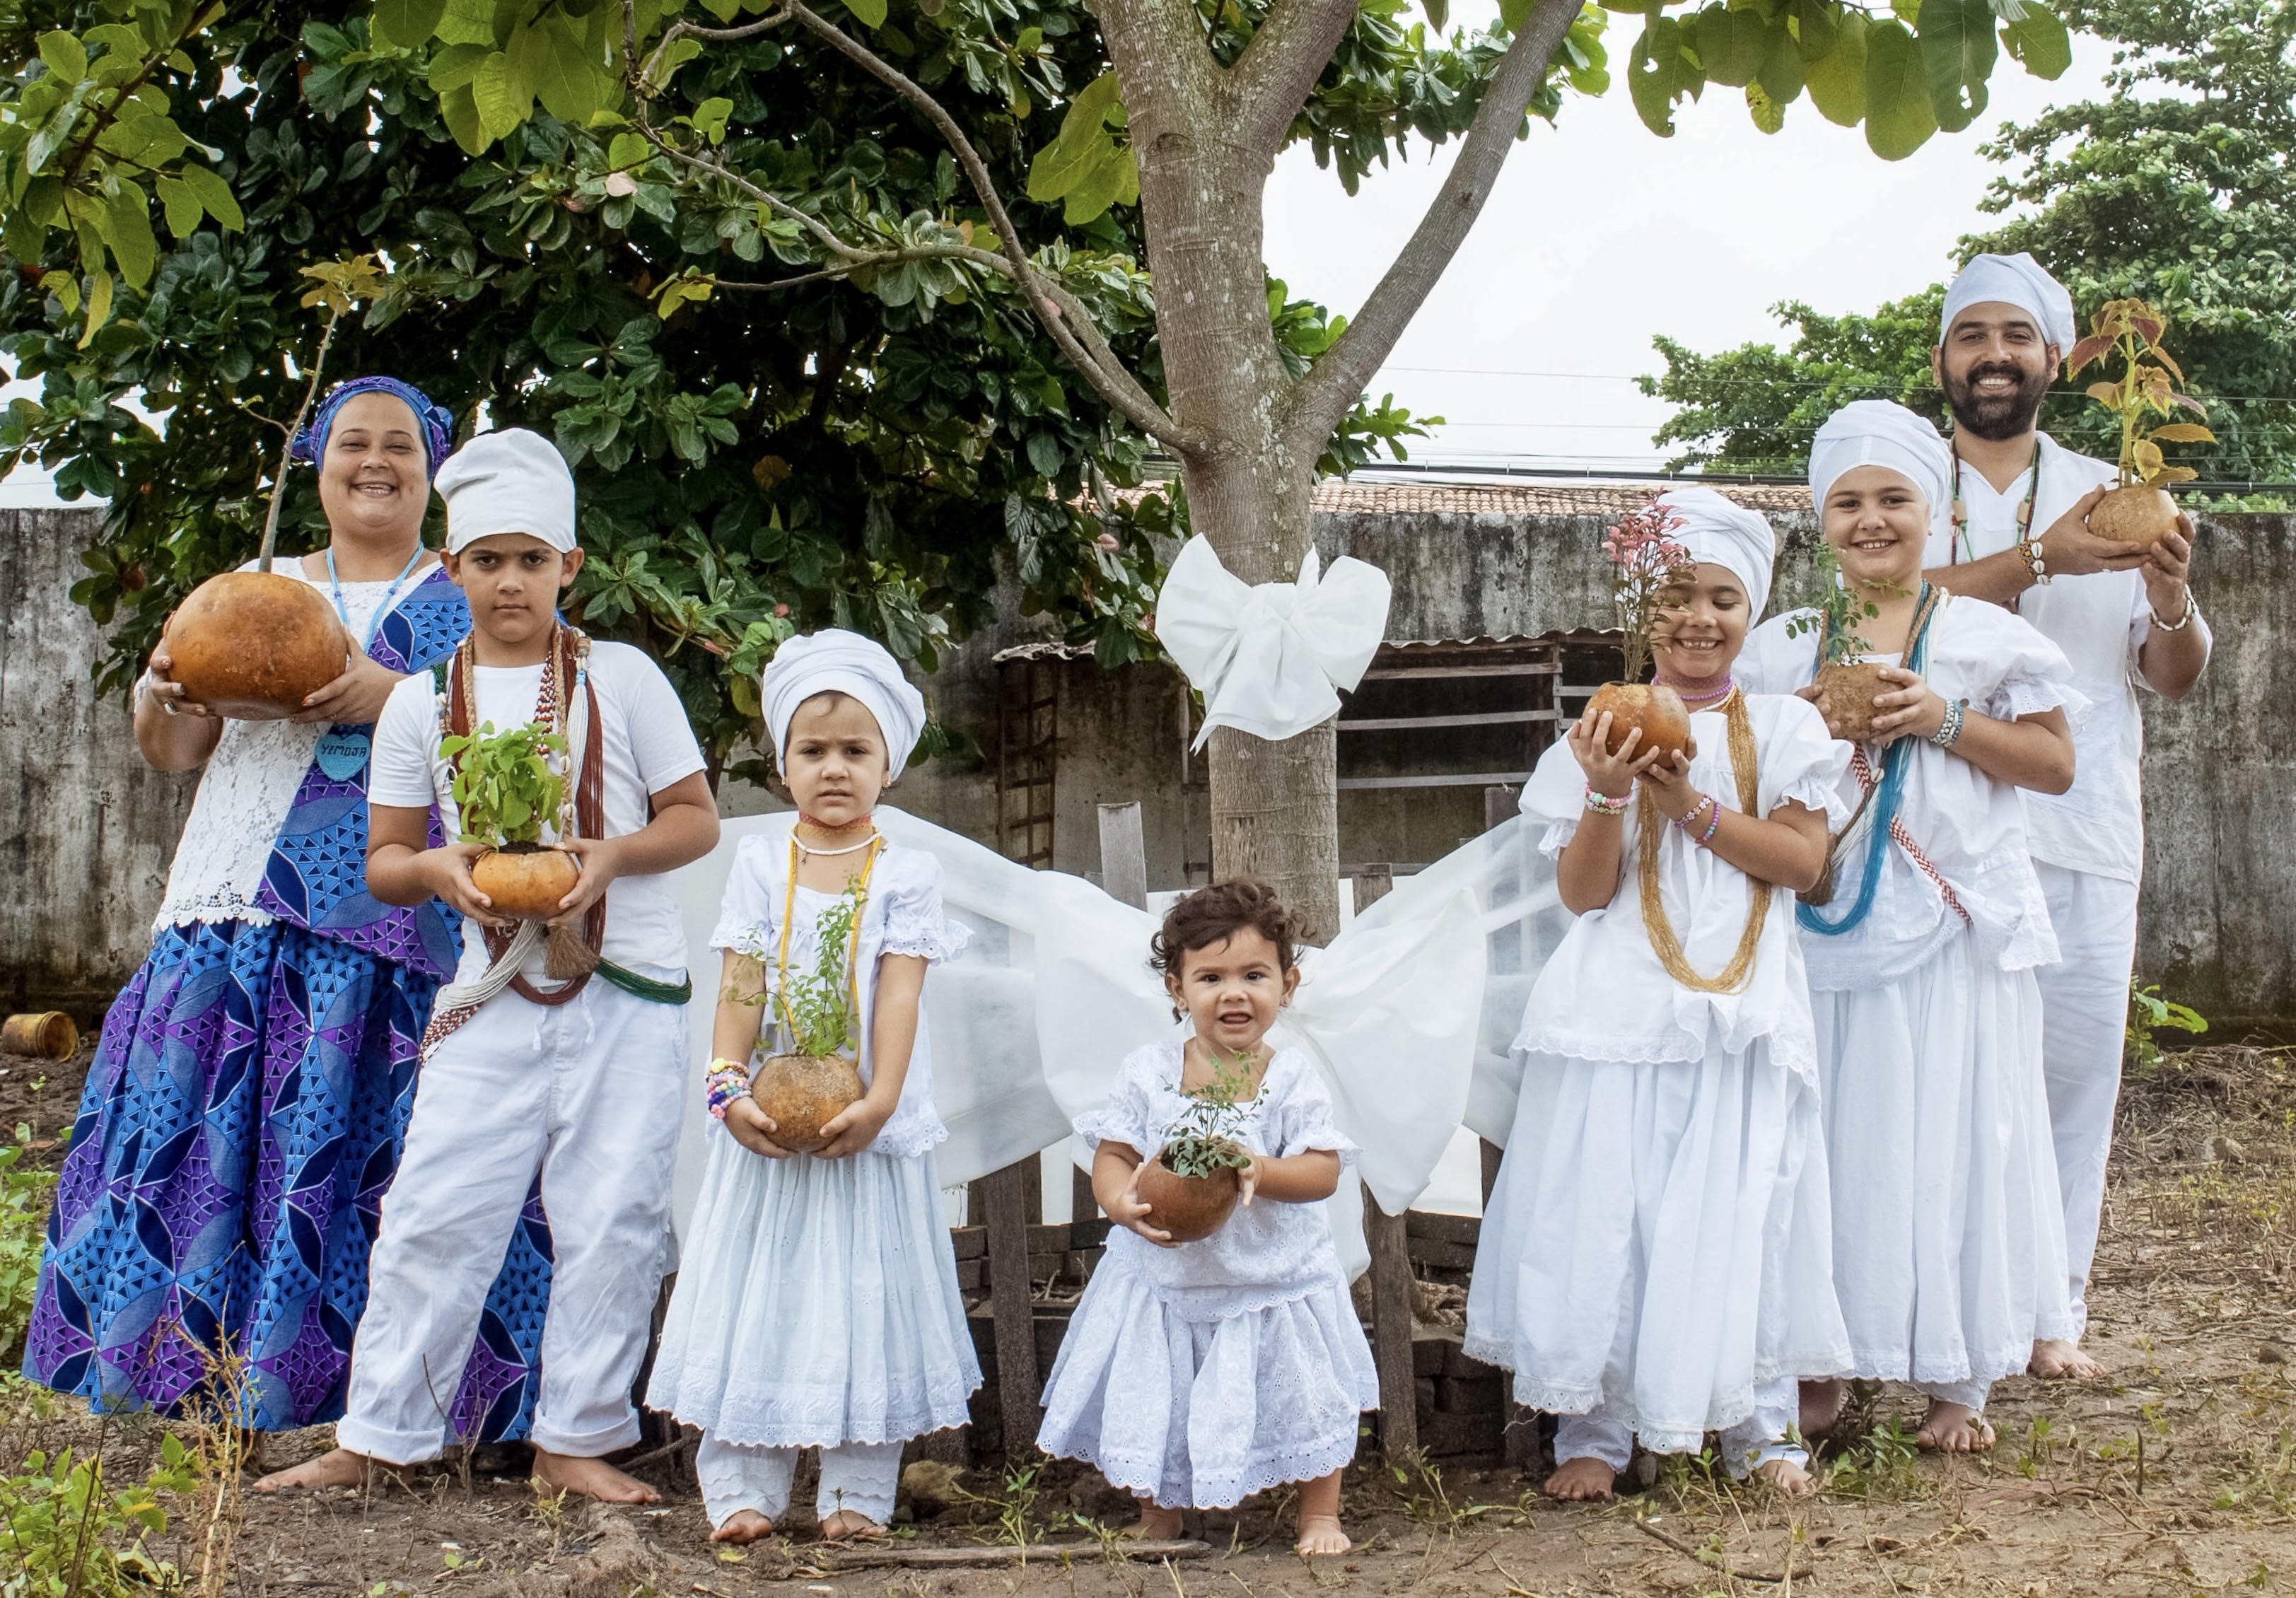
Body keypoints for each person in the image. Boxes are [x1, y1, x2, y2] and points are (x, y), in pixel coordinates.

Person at [22, 378, 561, 1438]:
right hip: (232, 899)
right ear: (317, 464)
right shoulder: (245, 593)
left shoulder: (472, 596)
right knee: (203, 1135)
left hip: (401, 919)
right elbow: (177, 753)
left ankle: (401, 1405)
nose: (374, 462)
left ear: (431, 470)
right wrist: (157, 701)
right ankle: (183, 1379)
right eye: (351, 443)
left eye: (398, 447)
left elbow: (531, 742)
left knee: (389, 1146)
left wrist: (392, 693)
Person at [253, 428, 719, 1501]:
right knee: (434, 1206)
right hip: (486, 993)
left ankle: (576, 1441)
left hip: (625, 989)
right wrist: (444, 871)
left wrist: (609, 858)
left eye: (531, 559)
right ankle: (380, 1436)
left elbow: (691, 821)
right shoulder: (421, 700)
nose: (510, 582)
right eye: (487, 560)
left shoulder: (626, 680)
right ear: (452, 569)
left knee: (614, 1216)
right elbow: (382, 862)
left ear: (570, 567)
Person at [1464, 489, 1851, 1500]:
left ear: (1748, 612)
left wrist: (1687, 804)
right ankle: (1590, 1432)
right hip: (1613, 1008)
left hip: (1740, 1010)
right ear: (1644, 610)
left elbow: (1803, 867)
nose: (1697, 618)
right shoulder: (1594, 728)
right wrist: (1607, 790)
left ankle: (1759, 1430)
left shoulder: (1784, 726)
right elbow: (1584, 895)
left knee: (1741, 1203)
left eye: (1721, 598)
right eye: (1676, 595)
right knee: (1607, 1210)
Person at [1742, 400, 2082, 1453]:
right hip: (1821, 925)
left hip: (1949, 921)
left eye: (1892, 498)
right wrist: (1794, 720)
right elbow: (1743, 774)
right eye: (1846, 502)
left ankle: (1957, 1373)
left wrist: (1938, 718)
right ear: (1820, 520)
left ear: (1931, 513)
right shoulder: (1780, 642)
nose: (1869, 520)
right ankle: (1819, 1359)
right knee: (1830, 1137)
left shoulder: (1987, 636)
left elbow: (2055, 767)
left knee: (1951, 1124)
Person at [1923, 252, 2213, 1379]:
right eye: (1969, 335)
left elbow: (2173, 676)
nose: (1991, 355)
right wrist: (2044, 557)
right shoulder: (1895, 486)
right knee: (1938, 1074)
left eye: (2014, 336)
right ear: (1942, 359)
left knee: (2071, 1073)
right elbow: (1875, 615)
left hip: (2080, 827)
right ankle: (1936, 1306)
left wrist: (2167, 595)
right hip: (1931, 831)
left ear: (2052, 359)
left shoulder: (2117, 490)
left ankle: (2051, 1312)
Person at [646, 629, 981, 1544]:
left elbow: (900, 995)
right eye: (812, 750)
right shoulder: (759, 866)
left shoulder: (907, 872)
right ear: (783, 764)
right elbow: (741, 989)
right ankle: (743, 1490)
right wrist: (726, 1087)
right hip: (767, 1117)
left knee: (862, 1295)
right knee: (759, 1289)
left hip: (865, 1121)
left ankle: (854, 1496)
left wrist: (876, 1101)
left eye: (855, 751)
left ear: (890, 765)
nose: (833, 769)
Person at [1036, 879, 1378, 1557]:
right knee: (1158, 1392)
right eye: (1210, 976)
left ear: (1288, 984)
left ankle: (1319, 1514)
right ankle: (1159, 1514)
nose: (1233, 993)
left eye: (1254, 975)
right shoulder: (1150, 1072)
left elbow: (1323, 1170)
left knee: (1306, 1396)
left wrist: (1260, 1168)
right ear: (1175, 988)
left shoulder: (1292, 1079)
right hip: (1168, 1276)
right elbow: (1115, 1151)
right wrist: (1117, 1201)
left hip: (1269, 1278)